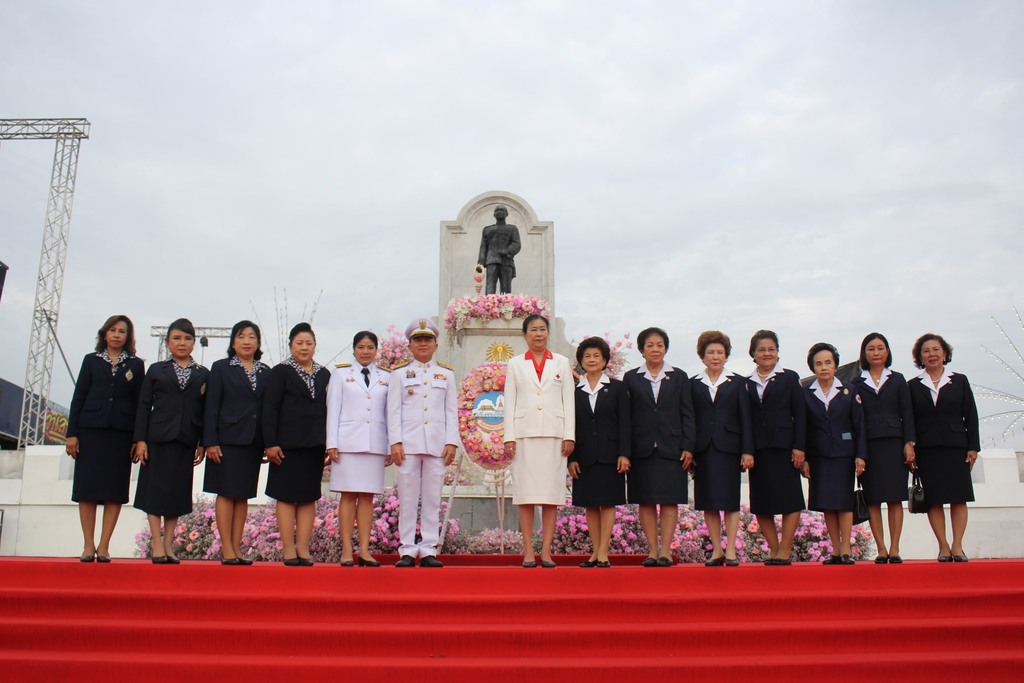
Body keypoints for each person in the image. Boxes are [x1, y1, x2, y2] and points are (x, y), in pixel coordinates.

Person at [65, 315, 145, 563]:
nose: (117, 335)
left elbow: (139, 404)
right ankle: (88, 545)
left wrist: (138, 438)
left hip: (120, 435)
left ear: (128, 337)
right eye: (113, 330)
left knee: (114, 491)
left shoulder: (135, 364)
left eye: (122, 331)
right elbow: (79, 397)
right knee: (86, 490)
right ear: (104, 334)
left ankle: (104, 545)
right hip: (90, 432)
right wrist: (72, 433)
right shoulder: (91, 361)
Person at [133, 318, 208, 564]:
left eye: (187, 338)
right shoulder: (156, 370)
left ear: (194, 343)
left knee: (177, 493)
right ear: (168, 342)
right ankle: (156, 542)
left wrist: (202, 442)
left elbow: (206, 410)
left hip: (186, 439)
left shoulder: (202, 374)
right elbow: (143, 406)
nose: (182, 343)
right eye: (176, 338)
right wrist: (140, 440)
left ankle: (168, 545)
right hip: (157, 439)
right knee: (154, 492)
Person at [503, 314, 575, 568]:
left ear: (548, 333)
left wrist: (569, 435)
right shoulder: (514, 364)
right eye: (533, 330)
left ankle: (545, 551)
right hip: (524, 435)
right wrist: (509, 436)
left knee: (550, 495)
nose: (538, 334)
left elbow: (569, 400)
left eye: (542, 329)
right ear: (525, 335)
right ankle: (527, 551)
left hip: (555, 436)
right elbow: (509, 400)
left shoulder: (562, 362)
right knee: (525, 495)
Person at [387, 319, 458, 568]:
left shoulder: (447, 374)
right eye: (418, 340)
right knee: (407, 497)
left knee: (432, 497)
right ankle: (407, 548)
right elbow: (393, 411)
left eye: (428, 340)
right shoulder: (398, 375)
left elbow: (451, 411)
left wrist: (452, 442)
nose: (423, 344)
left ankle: (428, 548)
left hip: (437, 444)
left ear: (436, 345)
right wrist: (395, 441)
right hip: (408, 444)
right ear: (410, 345)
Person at [622, 327, 695, 567]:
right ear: (642, 350)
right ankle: (652, 551)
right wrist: (625, 451)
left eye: (660, 345)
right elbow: (626, 417)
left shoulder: (679, 376)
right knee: (645, 500)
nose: (655, 349)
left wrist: (688, 446)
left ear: (666, 348)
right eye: (650, 345)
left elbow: (687, 414)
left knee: (669, 500)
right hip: (641, 448)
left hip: (672, 447)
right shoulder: (631, 377)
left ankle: (665, 551)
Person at [202, 320, 270, 566]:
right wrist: (210, 441)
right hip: (226, 440)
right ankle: (226, 548)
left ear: (258, 343)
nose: (247, 341)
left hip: (252, 441)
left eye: (252, 337)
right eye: (241, 336)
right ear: (233, 341)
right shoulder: (220, 368)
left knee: (242, 496)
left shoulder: (265, 371)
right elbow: (211, 405)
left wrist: (266, 441)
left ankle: (237, 546)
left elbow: (266, 409)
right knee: (226, 493)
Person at [907, 333, 979, 563]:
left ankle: (958, 545)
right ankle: (943, 546)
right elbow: (909, 420)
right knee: (934, 499)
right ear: (920, 357)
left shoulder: (959, 381)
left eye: (936, 350)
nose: (932, 354)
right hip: (927, 449)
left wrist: (973, 446)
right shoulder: (913, 386)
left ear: (945, 353)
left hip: (956, 446)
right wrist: (911, 447)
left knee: (959, 497)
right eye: (926, 351)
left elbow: (971, 415)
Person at [262, 322, 330, 567]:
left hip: (314, 445)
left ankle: (303, 547)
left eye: (309, 343)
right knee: (286, 497)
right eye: (299, 343)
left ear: (315, 346)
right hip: (286, 447)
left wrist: (329, 444)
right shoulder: (280, 372)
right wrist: (270, 443)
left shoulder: (324, 373)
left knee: (308, 497)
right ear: (291, 345)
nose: (304, 347)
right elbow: (269, 409)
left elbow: (331, 411)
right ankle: (289, 549)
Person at [849, 333, 916, 564]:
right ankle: (881, 548)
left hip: (894, 444)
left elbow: (907, 413)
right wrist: (858, 452)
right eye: (871, 349)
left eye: (880, 348)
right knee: (874, 498)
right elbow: (854, 419)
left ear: (887, 352)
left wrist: (909, 443)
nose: (876, 353)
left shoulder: (897, 380)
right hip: (868, 447)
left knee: (895, 498)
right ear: (864, 354)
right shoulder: (856, 383)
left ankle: (895, 547)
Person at [690, 331, 754, 567]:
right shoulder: (693, 383)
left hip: (729, 448)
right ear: (702, 356)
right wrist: (690, 450)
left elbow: (746, 418)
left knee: (729, 501)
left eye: (720, 352)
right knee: (708, 501)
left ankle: (730, 551)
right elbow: (690, 418)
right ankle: (716, 549)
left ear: (726, 355)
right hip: (703, 449)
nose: (715, 356)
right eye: (710, 352)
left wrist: (747, 450)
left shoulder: (738, 382)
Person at [326, 330, 390, 567]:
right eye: (361, 347)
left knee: (367, 497)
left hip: (374, 444)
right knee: (347, 495)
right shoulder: (341, 374)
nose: (365, 352)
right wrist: (331, 442)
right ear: (353, 349)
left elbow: (389, 413)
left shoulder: (385, 376)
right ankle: (346, 549)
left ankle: (364, 550)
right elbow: (333, 408)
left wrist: (389, 445)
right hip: (347, 444)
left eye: (370, 347)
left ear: (376, 350)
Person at [744, 330, 807, 566]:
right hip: (759, 450)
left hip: (785, 447)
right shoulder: (746, 382)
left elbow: (800, 414)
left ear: (777, 352)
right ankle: (774, 548)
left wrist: (799, 447)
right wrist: (747, 450)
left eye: (771, 349)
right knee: (761, 503)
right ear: (753, 354)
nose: (767, 353)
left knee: (790, 500)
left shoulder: (790, 378)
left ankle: (785, 549)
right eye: (762, 349)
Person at [802, 343, 867, 565]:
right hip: (819, 455)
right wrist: (805, 458)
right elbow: (803, 427)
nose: (823, 367)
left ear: (835, 365)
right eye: (818, 363)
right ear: (813, 367)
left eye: (828, 362)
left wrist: (860, 455)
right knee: (827, 502)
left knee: (843, 501)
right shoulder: (806, 393)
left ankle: (847, 549)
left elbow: (859, 425)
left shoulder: (849, 390)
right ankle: (836, 550)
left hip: (844, 453)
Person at [568, 337, 630, 568]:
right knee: (590, 504)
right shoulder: (575, 390)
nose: (592, 360)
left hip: (610, 454)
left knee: (608, 503)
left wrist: (624, 453)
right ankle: (595, 551)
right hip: (583, 455)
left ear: (605, 360)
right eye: (587, 356)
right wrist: (571, 458)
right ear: (581, 361)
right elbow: (570, 426)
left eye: (596, 356)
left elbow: (625, 422)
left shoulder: (617, 387)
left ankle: (604, 551)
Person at [477, 204, 522, 295]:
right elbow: (483, 246)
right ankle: (488, 306)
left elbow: (517, 244)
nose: (499, 212)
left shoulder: (512, 229)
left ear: (507, 214)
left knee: (506, 289)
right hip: (491, 261)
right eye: (497, 210)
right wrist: (480, 263)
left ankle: (506, 307)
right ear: (494, 215)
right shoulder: (487, 230)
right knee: (490, 287)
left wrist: (507, 251)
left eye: (502, 210)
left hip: (506, 261)